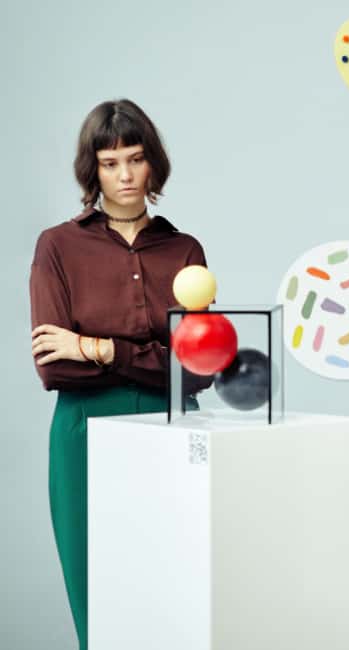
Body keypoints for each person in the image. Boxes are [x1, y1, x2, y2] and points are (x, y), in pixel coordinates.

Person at [30, 99, 208, 650]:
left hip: (173, 428)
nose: (125, 175)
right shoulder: (58, 246)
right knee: (96, 592)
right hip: (84, 432)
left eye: (135, 159)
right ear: (93, 169)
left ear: (153, 163)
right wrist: (145, 354)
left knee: (176, 585)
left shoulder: (184, 250)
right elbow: (54, 365)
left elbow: (197, 370)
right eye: (111, 163)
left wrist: (99, 348)